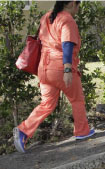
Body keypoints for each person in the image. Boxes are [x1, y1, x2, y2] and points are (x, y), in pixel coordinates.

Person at [13, 0, 95, 153]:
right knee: (77, 99)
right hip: (59, 67)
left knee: (47, 104)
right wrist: (67, 70)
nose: (78, 9)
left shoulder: (47, 17)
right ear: (71, 3)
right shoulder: (67, 19)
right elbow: (67, 45)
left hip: (44, 68)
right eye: (78, 5)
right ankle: (82, 132)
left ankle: (23, 131)